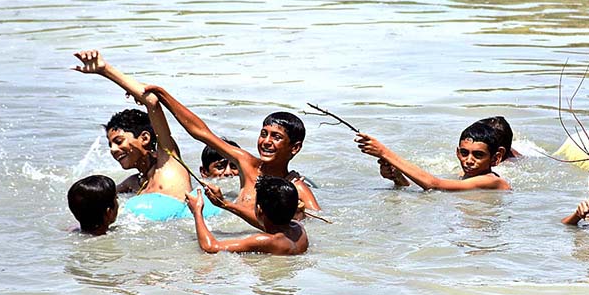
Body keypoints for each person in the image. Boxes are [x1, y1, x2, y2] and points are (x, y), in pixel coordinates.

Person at [143, 85, 320, 229]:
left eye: (276, 137)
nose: (266, 141)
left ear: (295, 148)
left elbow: (320, 227)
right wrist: (163, 95)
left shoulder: (297, 188)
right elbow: (202, 133)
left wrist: (300, 216)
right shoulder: (247, 164)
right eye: (263, 134)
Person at [73, 50, 219, 221]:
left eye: (118, 141)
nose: (113, 150)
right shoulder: (133, 183)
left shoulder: (169, 163)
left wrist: (105, 70)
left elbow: (152, 102)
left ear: (145, 138)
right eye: (110, 144)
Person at [356, 121, 511, 191]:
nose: (469, 160)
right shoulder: (462, 176)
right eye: (464, 153)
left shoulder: (493, 181)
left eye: (478, 155)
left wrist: (384, 152)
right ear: (457, 152)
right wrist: (398, 178)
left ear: (496, 157)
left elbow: (434, 184)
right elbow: (429, 189)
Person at [185, 176, 308, 255]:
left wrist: (197, 212)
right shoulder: (299, 228)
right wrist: (225, 204)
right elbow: (267, 222)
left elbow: (211, 247)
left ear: (259, 210)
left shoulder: (267, 241)